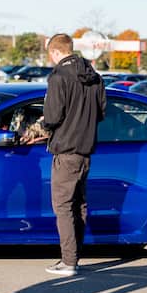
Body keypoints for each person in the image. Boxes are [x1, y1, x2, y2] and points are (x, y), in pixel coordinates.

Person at [42, 34, 106, 276]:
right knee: (79, 205)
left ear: (56, 52)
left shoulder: (58, 77)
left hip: (66, 149)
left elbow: (52, 117)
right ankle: (75, 256)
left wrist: (44, 126)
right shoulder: (94, 77)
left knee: (63, 206)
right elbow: (101, 113)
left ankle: (69, 261)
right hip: (86, 150)